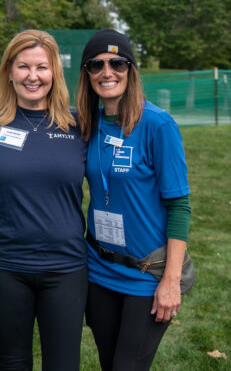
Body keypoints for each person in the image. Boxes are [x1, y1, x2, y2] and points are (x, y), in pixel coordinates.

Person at [0, 29, 88, 371]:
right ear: (9, 71)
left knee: (64, 364)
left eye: (42, 67)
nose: (33, 76)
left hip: (66, 267)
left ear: (54, 73)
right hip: (2, 265)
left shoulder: (78, 125)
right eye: (23, 66)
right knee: (13, 362)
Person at [77, 29, 192, 371]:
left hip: (147, 274)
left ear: (131, 70)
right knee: (108, 362)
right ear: (87, 74)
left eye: (117, 63)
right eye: (96, 64)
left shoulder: (157, 125)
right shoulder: (87, 123)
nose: (107, 72)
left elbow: (179, 206)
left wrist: (171, 281)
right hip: (99, 268)